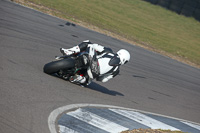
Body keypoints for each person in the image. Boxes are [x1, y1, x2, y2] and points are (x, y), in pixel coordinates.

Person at [60, 40, 130, 85]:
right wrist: (98, 75)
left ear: (119, 52)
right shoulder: (116, 71)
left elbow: (94, 46)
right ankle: (81, 79)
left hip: (91, 61)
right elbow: (103, 80)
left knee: (88, 43)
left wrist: (94, 51)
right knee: (88, 81)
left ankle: (70, 51)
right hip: (93, 73)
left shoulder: (109, 52)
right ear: (125, 61)